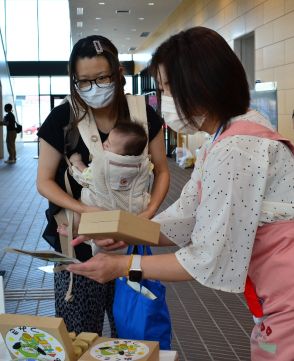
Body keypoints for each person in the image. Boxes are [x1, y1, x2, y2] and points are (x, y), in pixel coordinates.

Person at [67, 27, 294, 360]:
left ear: (199, 82)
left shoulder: (237, 149)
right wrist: (117, 229)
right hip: (271, 297)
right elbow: (185, 220)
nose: (162, 99)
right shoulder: (227, 136)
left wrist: (122, 265)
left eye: (166, 88)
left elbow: (202, 259)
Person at [36, 35, 170, 336]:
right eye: (83, 81)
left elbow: (161, 170)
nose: (93, 88)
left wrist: (142, 219)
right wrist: (87, 211)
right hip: (77, 246)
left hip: (130, 245)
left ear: (117, 73)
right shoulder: (62, 118)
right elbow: (44, 182)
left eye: (101, 78)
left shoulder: (142, 115)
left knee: (133, 330)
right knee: (80, 334)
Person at [58, 121, 151, 243]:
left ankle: (74, 231)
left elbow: (86, 176)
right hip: (132, 210)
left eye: (109, 144)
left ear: (123, 153)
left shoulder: (105, 164)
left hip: (101, 206)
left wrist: (77, 163)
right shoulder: (143, 164)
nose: (104, 144)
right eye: (106, 140)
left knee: (78, 208)